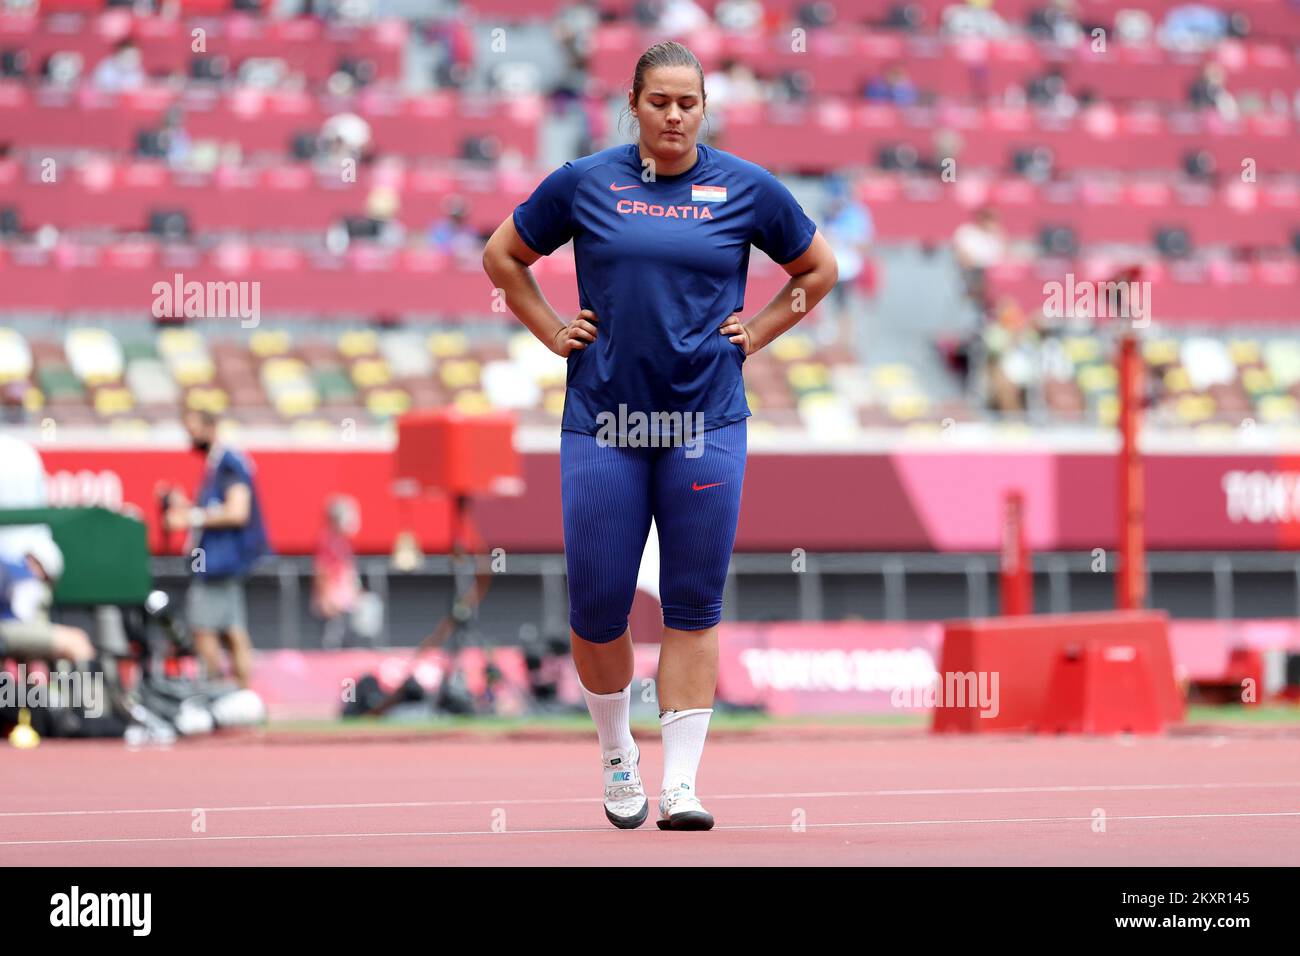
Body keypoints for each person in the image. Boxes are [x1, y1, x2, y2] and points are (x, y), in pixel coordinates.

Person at [482, 41, 838, 830]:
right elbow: (504, 255)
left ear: (705, 108)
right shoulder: (586, 183)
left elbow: (818, 272)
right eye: (659, 102)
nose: (674, 115)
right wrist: (547, 330)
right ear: (634, 106)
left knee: (693, 605)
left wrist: (762, 330)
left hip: (704, 424)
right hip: (604, 424)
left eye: (688, 102)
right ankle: (618, 756)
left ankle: (682, 784)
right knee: (598, 607)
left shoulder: (747, 189)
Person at [163, 409, 270, 689]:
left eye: (193, 429)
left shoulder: (228, 463)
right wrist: (186, 507)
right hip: (218, 562)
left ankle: (216, 691)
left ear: (210, 428)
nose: (190, 437)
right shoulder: (217, 465)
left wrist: (189, 517)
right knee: (232, 630)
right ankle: (242, 696)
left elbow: (237, 512)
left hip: (219, 564)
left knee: (204, 628)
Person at [0, 537, 95, 664]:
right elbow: (22, 615)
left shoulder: (19, 574)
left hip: (11, 629)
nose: (39, 575)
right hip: (6, 629)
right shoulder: (15, 571)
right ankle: (93, 684)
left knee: (39, 665)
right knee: (76, 642)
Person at [313, 496, 361, 649]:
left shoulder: (342, 541)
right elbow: (322, 570)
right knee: (332, 643)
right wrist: (326, 597)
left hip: (344, 601)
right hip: (333, 602)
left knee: (348, 640)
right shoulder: (327, 540)